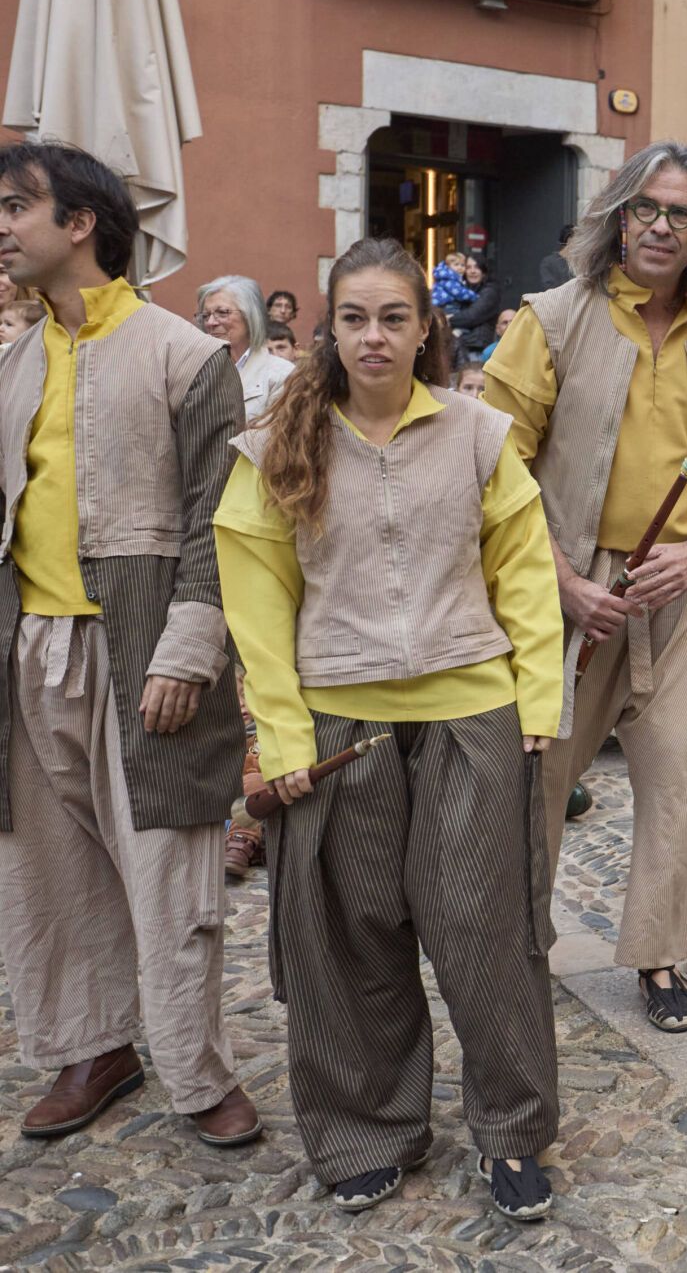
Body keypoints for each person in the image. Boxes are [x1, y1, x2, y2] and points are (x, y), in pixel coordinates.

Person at [217, 237, 562, 1219]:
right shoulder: (280, 444)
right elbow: (257, 599)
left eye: (394, 318)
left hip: (469, 713)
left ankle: (511, 1132)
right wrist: (282, 736)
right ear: (331, 330)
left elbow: (525, 571)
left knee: (484, 935)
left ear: (425, 330)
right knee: (350, 941)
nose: (375, 336)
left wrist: (538, 698)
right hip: (338, 723)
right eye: (356, 318)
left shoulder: (478, 434)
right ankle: (368, 1129)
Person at [0, 141, 258, 1148]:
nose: (2, 224)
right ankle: (93, 1045)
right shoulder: (14, 364)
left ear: (81, 224)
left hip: (145, 645)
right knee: (50, 868)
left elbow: (219, 518)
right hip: (29, 649)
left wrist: (187, 652)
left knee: (169, 874)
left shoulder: (185, 356)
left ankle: (196, 1071)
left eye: (18, 206)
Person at [482, 140, 687, 1036]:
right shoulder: (554, 318)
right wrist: (560, 580)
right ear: (618, 214)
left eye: (681, 214)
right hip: (567, 587)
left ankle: (658, 954)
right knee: (539, 778)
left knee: (680, 771)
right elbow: (494, 463)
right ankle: (517, 944)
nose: (662, 227)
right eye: (647, 208)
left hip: (677, 587)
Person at [196, 274, 294, 423]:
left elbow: (275, 438)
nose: (210, 322)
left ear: (250, 317)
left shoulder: (282, 375)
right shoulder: (196, 371)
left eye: (222, 313)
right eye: (205, 315)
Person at [449, 255, 503, 358]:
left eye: (477, 267)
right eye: (468, 267)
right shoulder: (464, 290)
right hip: (462, 346)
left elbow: (472, 316)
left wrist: (449, 319)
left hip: (477, 349)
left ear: (484, 271)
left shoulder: (490, 291)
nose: (472, 271)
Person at [537, 225, 575, 293]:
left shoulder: (581, 263)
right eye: (580, 240)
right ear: (569, 240)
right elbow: (549, 289)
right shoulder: (549, 262)